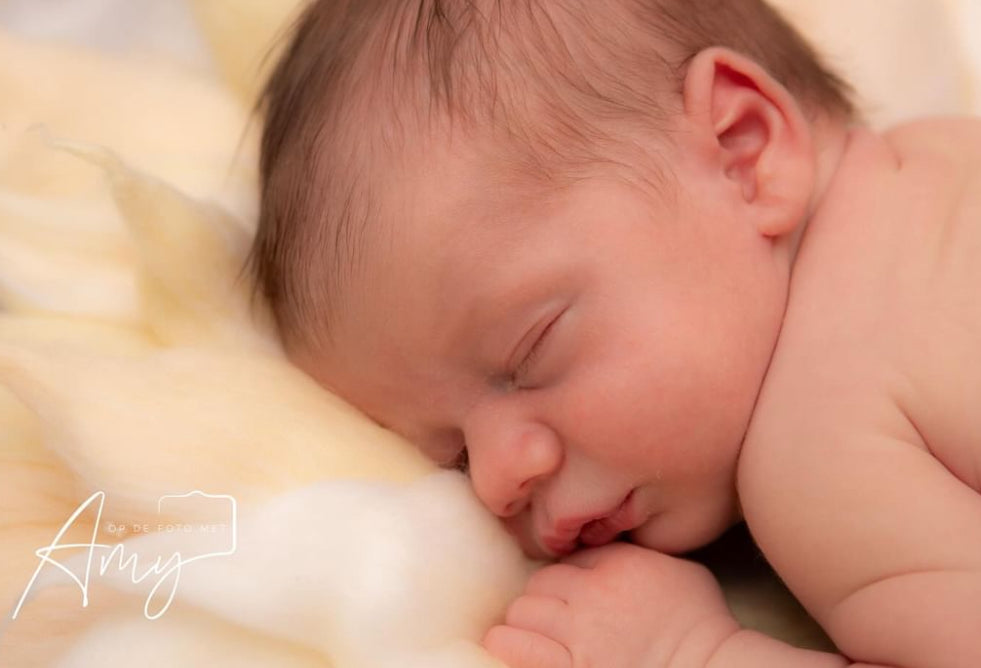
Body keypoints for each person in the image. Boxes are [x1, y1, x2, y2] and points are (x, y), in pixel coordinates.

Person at [248, 0, 981, 665]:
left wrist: (691, 652)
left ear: (741, 151)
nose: (500, 479)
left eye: (528, 353)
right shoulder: (944, 155)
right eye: (456, 457)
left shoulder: (816, 447)